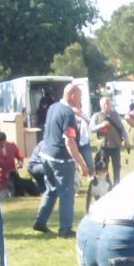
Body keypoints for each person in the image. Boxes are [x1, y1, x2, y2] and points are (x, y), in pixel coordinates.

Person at [32, 83, 89, 237]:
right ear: (72, 96)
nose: (81, 99)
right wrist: (81, 164)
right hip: (60, 159)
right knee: (66, 194)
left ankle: (40, 222)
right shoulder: (68, 114)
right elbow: (69, 142)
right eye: (80, 96)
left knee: (51, 190)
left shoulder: (53, 107)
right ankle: (65, 230)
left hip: (45, 155)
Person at [90, 97, 130, 186]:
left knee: (117, 167)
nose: (107, 105)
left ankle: (116, 185)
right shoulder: (96, 116)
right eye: (105, 103)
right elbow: (91, 128)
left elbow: (122, 128)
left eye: (108, 103)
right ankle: (106, 184)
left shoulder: (115, 115)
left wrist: (126, 139)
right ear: (101, 105)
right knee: (103, 167)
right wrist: (101, 125)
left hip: (116, 145)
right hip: (103, 146)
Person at [0, 132, 36, 196]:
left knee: (18, 193)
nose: (1, 144)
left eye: (3, 142)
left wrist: (20, 163)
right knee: (2, 196)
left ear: (5, 140)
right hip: (0, 179)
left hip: (13, 176)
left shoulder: (12, 145)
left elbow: (20, 156)